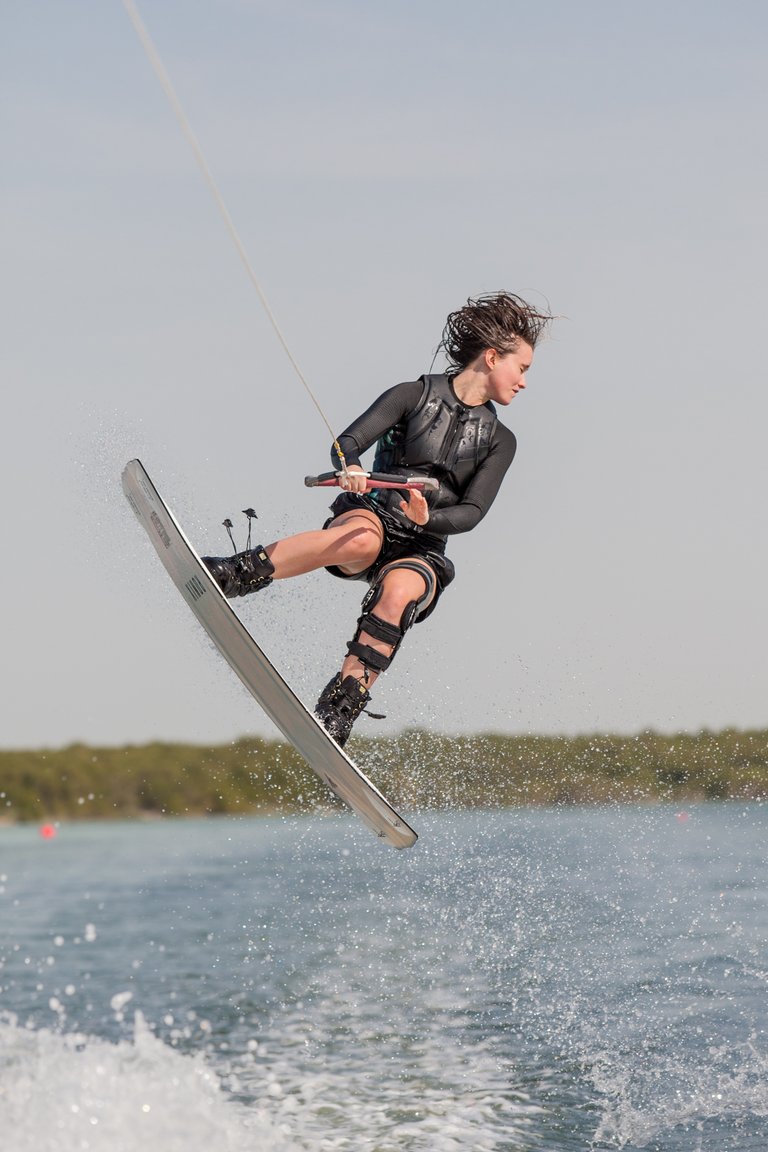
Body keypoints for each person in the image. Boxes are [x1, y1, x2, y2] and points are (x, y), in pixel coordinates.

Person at [203, 291, 552, 746]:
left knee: (403, 588)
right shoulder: (412, 395)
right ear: (491, 357)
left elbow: (471, 513)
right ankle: (238, 572)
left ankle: (341, 704)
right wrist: (350, 469)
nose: (524, 381)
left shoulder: (501, 441)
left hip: (423, 546)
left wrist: (428, 518)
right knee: (360, 543)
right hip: (371, 516)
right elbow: (347, 443)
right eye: (521, 368)